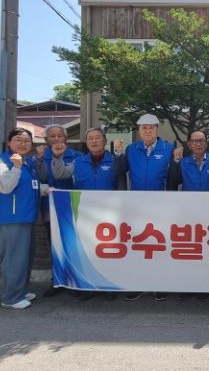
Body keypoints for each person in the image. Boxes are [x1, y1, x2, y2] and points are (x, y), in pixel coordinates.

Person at [49, 127, 127, 301]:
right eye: (90, 138)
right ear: (86, 142)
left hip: (109, 215)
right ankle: (90, 286)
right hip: (85, 216)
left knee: (108, 251)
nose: (94, 141)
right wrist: (57, 157)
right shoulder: (78, 162)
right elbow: (59, 173)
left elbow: (122, 180)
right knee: (88, 252)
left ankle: (109, 287)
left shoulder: (114, 160)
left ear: (105, 141)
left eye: (97, 137)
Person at [121, 114, 182, 302]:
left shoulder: (169, 149)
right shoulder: (131, 150)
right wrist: (117, 155)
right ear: (139, 131)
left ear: (157, 129)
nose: (147, 131)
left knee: (160, 247)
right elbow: (121, 172)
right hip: (136, 207)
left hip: (160, 207)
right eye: (143, 128)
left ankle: (159, 284)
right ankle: (138, 284)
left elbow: (174, 179)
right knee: (137, 247)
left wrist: (177, 161)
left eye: (151, 127)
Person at [35, 124, 82, 298]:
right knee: (54, 245)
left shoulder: (77, 156)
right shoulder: (40, 157)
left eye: (59, 135)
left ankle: (73, 280)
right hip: (49, 208)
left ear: (66, 138)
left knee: (72, 245)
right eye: (52, 136)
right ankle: (57, 280)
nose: (56, 139)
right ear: (46, 139)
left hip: (71, 208)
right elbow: (38, 179)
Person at [0, 128, 46, 309]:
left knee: (25, 257)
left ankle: (20, 290)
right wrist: (16, 167)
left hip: (28, 217)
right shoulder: (4, 161)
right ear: (9, 143)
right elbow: (5, 187)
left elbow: (32, 186)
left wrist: (46, 189)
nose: (23, 144)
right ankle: (11, 298)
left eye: (27, 141)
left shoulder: (28, 163)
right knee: (14, 259)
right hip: (12, 219)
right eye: (18, 140)